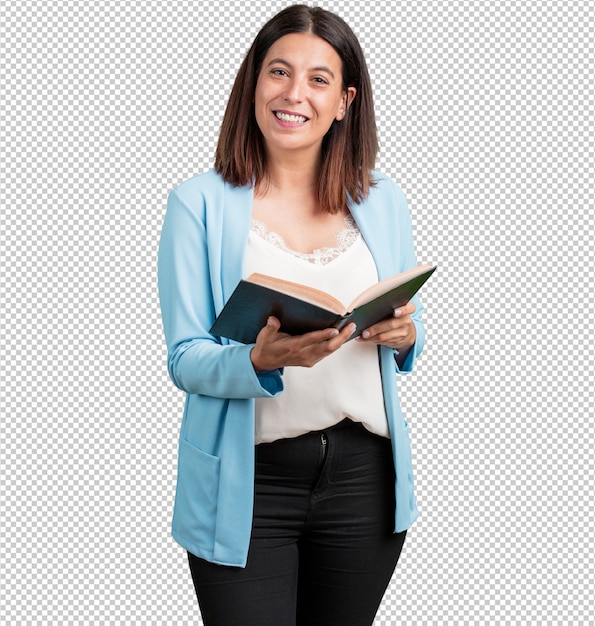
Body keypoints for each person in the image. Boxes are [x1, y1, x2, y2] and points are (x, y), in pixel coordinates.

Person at [158, 5, 428, 625]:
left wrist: (407, 333)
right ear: (254, 82)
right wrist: (257, 360)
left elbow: (407, 327)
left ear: (344, 101)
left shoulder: (382, 199)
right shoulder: (197, 203)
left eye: (318, 79)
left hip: (365, 478)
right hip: (249, 485)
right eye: (279, 71)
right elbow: (185, 357)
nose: (294, 93)